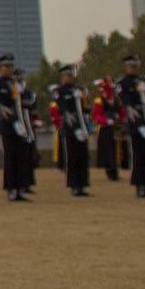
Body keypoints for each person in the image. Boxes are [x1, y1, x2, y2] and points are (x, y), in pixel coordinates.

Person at [0, 55, 35, 202]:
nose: (9, 69)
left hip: (21, 124)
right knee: (10, 158)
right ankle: (11, 189)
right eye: (6, 67)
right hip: (8, 126)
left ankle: (21, 188)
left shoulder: (18, 84)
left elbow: (29, 101)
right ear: (0, 68)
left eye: (11, 66)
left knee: (22, 157)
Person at [116, 57, 145, 199]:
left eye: (136, 66)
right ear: (126, 67)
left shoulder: (144, 81)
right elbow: (124, 100)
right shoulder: (123, 83)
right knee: (138, 155)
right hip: (135, 121)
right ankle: (139, 186)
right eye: (131, 66)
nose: (134, 68)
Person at [48, 64, 92, 197]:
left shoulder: (78, 89)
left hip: (81, 126)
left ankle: (83, 184)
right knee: (72, 157)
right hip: (70, 128)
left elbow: (85, 108)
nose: (70, 77)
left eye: (71, 75)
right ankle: (74, 185)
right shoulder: (59, 91)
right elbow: (61, 107)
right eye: (67, 75)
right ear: (63, 77)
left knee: (83, 157)